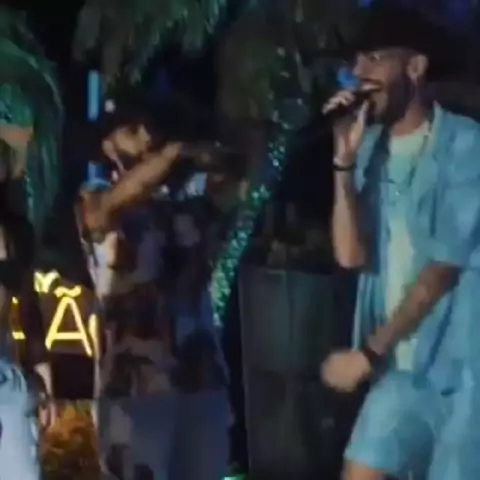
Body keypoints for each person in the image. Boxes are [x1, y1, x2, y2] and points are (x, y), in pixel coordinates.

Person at [320, 4, 480, 480]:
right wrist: (343, 163)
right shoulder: (369, 148)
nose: (359, 73)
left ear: (415, 67)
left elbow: (442, 269)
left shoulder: (467, 145)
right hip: (398, 373)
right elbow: (350, 255)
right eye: (356, 61)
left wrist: (367, 354)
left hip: (462, 373)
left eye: (373, 58)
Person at [79, 112, 230, 479]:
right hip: (135, 385)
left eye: (150, 126)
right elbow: (102, 213)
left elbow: (236, 173)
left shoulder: (187, 203)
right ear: (108, 146)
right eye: (132, 129)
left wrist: (197, 154)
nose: (147, 134)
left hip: (199, 377)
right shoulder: (95, 195)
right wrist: (170, 156)